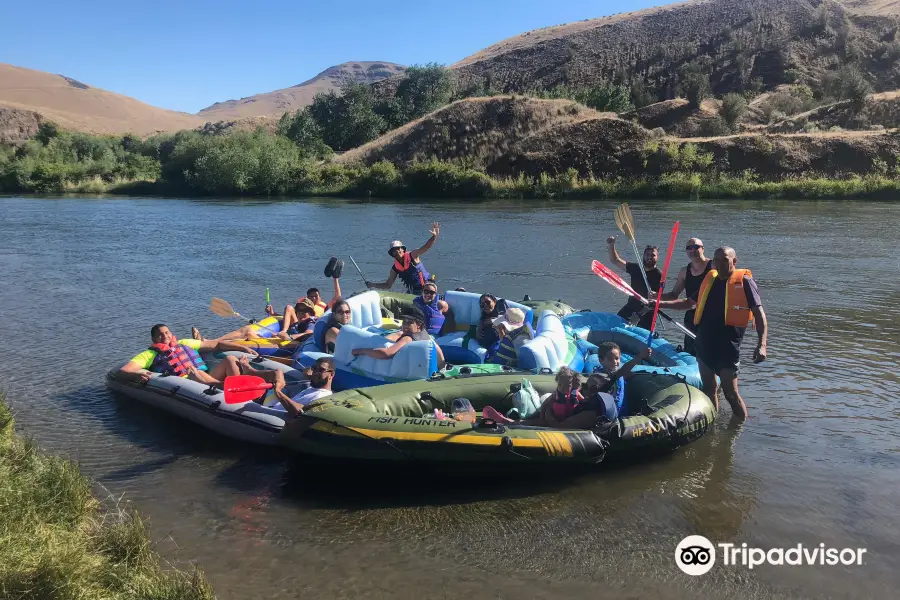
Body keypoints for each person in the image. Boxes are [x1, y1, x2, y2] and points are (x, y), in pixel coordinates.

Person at [657, 246, 767, 421]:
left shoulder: (745, 281)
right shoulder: (709, 281)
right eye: (716, 260)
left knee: (731, 393)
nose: (720, 264)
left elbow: (759, 314)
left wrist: (762, 344)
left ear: (734, 261)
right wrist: (658, 303)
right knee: (709, 390)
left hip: (728, 346)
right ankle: (712, 429)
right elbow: (688, 303)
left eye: (725, 259)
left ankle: (738, 429)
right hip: (705, 342)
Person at [193, 276, 341, 342]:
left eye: (316, 297)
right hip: (283, 334)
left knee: (248, 332)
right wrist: (273, 315)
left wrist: (288, 337)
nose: (302, 313)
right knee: (247, 330)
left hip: (286, 342)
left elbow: (309, 333)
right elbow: (289, 312)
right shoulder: (300, 316)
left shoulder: (315, 317)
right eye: (300, 311)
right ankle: (208, 341)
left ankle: (208, 342)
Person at [119, 323, 269, 387]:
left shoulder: (185, 343)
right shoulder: (149, 354)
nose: (164, 336)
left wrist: (242, 348)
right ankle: (224, 387)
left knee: (230, 359)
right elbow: (124, 371)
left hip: (205, 376)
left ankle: (237, 388)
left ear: (171, 333)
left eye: (166, 332)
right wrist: (135, 376)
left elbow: (216, 344)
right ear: (154, 340)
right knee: (193, 372)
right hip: (188, 382)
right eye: (160, 335)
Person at [660, 237, 712, 355]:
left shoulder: (713, 266)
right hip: (692, 316)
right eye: (689, 248)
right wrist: (657, 297)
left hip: (711, 316)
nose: (692, 250)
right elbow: (674, 295)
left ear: (702, 249)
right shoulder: (684, 271)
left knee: (707, 351)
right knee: (690, 350)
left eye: (695, 247)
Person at [351, 308, 446, 367]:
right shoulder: (426, 336)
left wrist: (361, 351)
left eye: (409, 322)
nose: (405, 325)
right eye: (404, 321)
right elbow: (440, 354)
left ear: (419, 325)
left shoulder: (407, 339)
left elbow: (387, 354)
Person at [366, 222, 440, 295]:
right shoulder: (395, 268)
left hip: (426, 289)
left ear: (403, 250)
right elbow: (388, 285)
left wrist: (434, 237)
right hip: (412, 291)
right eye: (394, 250)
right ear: (392, 254)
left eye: (398, 248)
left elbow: (426, 247)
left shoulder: (413, 255)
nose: (397, 251)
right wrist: (373, 284)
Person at [606, 236, 661, 329]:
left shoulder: (659, 275)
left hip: (648, 311)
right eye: (647, 254)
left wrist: (639, 315)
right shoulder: (636, 268)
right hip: (631, 306)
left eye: (653, 255)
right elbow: (615, 260)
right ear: (643, 256)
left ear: (657, 257)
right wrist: (611, 245)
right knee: (613, 326)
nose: (649, 257)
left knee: (643, 337)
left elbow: (656, 301)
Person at [591, 342, 652, 419]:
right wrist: (640, 356)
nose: (615, 362)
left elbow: (621, 374)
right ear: (601, 360)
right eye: (610, 359)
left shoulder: (619, 374)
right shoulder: (601, 376)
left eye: (617, 358)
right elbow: (621, 371)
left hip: (623, 414)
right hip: (609, 417)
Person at [270, 357, 335, 417]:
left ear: (331, 374)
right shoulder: (314, 388)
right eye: (314, 368)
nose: (315, 373)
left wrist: (278, 391)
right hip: (272, 409)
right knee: (277, 372)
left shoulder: (321, 396)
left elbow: (299, 412)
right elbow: (312, 377)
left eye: (321, 370)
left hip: (274, 417)